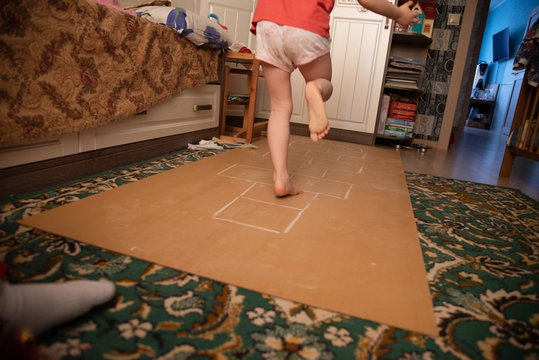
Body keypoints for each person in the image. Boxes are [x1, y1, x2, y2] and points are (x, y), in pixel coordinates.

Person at [250, 0, 420, 197]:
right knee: (323, 82)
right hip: (305, 25)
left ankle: (280, 178)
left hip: (268, 24)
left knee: (279, 108)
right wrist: (399, 14)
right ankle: (316, 88)